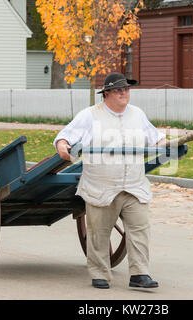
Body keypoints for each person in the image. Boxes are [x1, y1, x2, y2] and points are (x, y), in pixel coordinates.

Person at [54, 72, 166, 289]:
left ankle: (140, 273)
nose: (124, 93)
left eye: (126, 89)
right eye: (118, 90)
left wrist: (167, 143)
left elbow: (156, 137)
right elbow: (65, 136)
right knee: (99, 232)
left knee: (140, 229)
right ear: (106, 93)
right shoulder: (90, 115)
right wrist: (63, 146)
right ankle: (99, 273)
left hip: (134, 185)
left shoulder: (137, 114)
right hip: (101, 186)